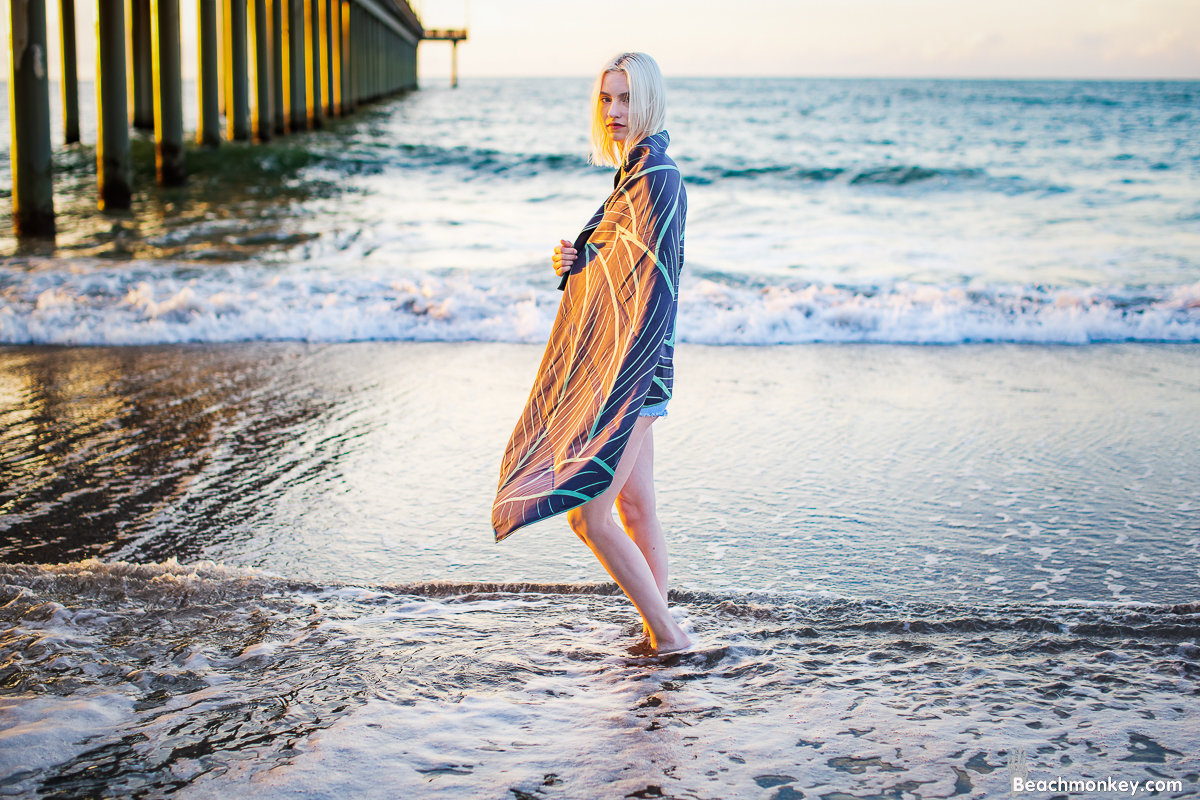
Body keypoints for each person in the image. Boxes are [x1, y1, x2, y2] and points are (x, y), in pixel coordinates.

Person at [491, 52, 690, 653]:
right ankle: (659, 623)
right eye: (606, 99)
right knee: (634, 504)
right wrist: (577, 262)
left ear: (649, 100)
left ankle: (670, 636)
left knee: (588, 516)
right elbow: (622, 267)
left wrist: (626, 384)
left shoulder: (658, 179)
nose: (614, 112)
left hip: (635, 366)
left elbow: (655, 284)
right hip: (639, 362)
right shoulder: (634, 177)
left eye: (626, 98)